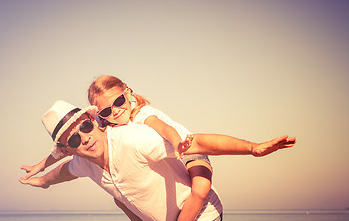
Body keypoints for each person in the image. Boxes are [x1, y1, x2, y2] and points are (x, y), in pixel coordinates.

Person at [21, 75, 296, 220]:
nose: (84, 138)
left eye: (84, 127)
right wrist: (42, 179)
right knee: (119, 197)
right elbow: (63, 170)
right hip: (177, 155)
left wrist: (253, 148)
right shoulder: (84, 158)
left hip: (189, 163)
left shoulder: (137, 131)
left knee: (199, 189)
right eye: (73, 140)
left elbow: (195, 141)